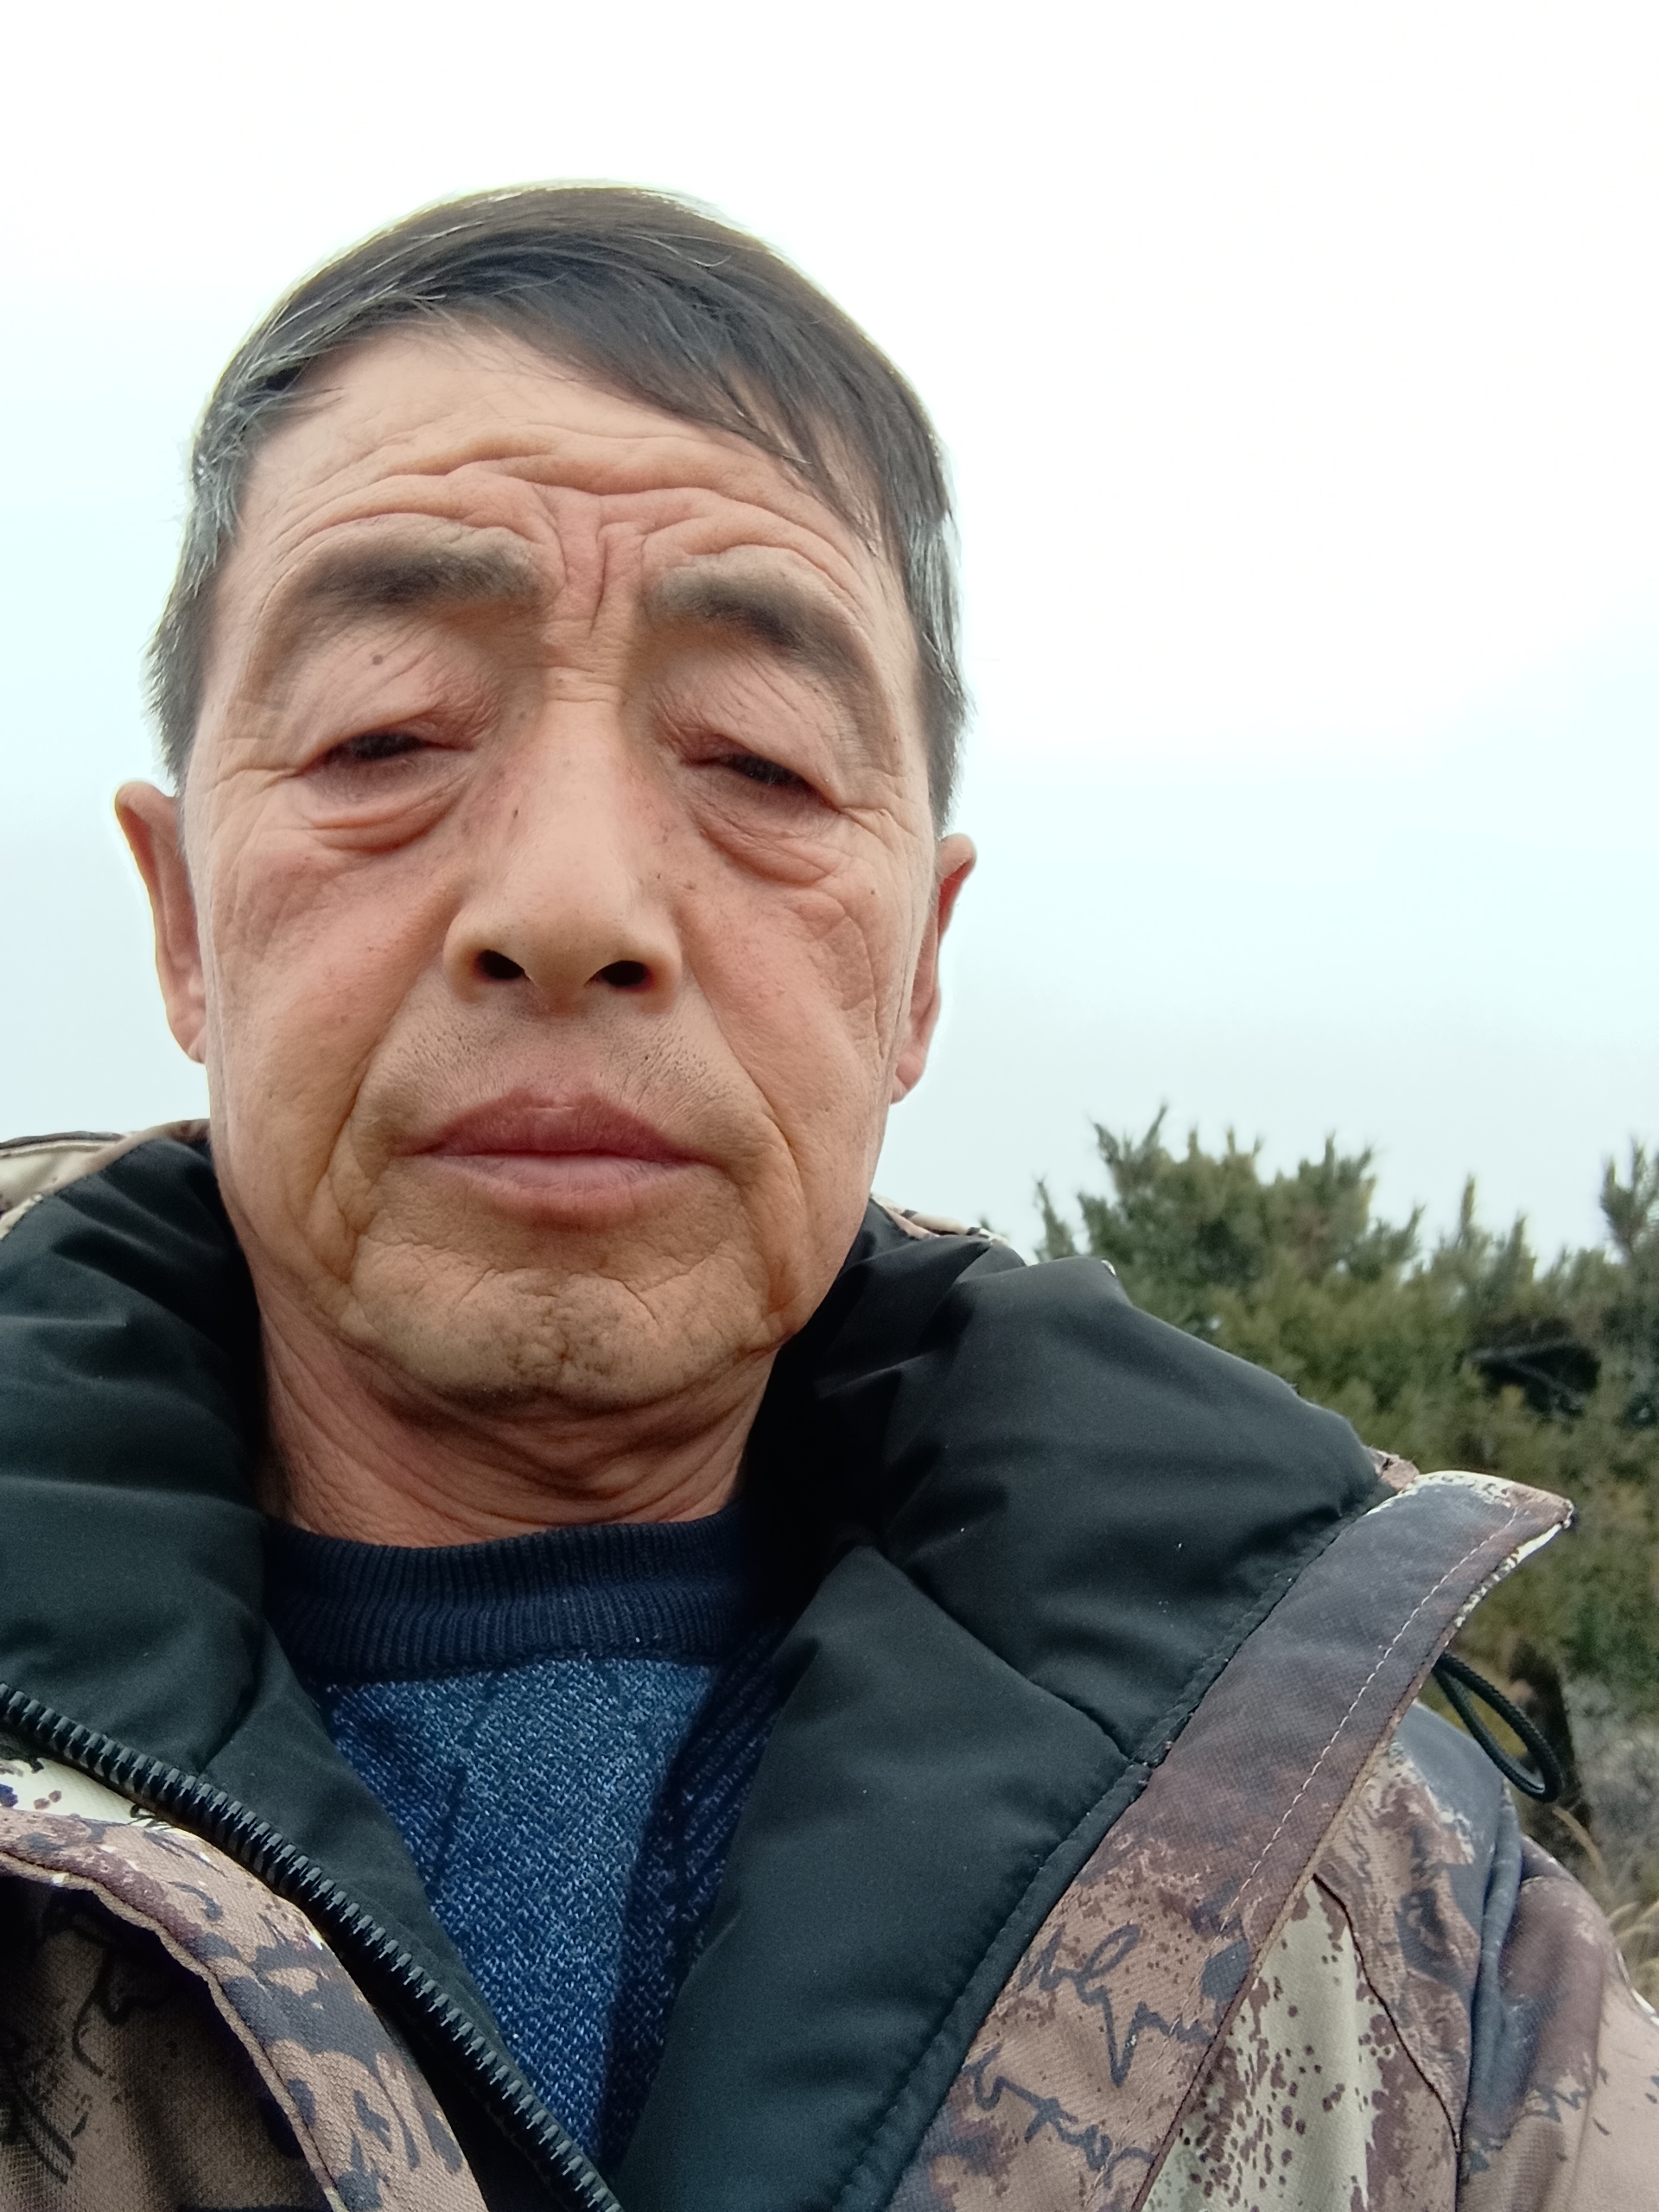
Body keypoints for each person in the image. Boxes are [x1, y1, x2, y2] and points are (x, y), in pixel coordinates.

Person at [0, 188, 1649, 2212]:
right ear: (180, 917)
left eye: (763, 762)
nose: (571, 904)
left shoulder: (1430, 1956)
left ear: (919, 967)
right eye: (387, 729)